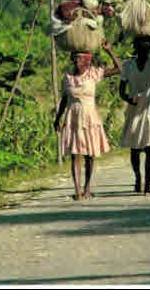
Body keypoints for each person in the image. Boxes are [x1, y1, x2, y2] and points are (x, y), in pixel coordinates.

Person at [54, 40, 122, 200]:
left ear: (87, 60)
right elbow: (64, 99)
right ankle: (77, 190)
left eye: (80, 58)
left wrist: (109, 50)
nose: (77, 61)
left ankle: (87, 188)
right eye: (75, 58)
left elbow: (120, 69)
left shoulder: (93, 73)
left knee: (90, 154)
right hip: (73, 118)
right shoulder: (68, 78)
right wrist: (58, 118)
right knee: (75, 153)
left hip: (90, 117)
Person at [118, 36, 150, 195]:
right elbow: (121, 90)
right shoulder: (128, 65)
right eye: (140, 46)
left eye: (147, 46)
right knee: (135, 148)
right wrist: (128, 98)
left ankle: (148, 185)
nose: (144, 49)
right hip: (135, 107)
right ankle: (138, 178)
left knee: (149, 147)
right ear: (136, 48)